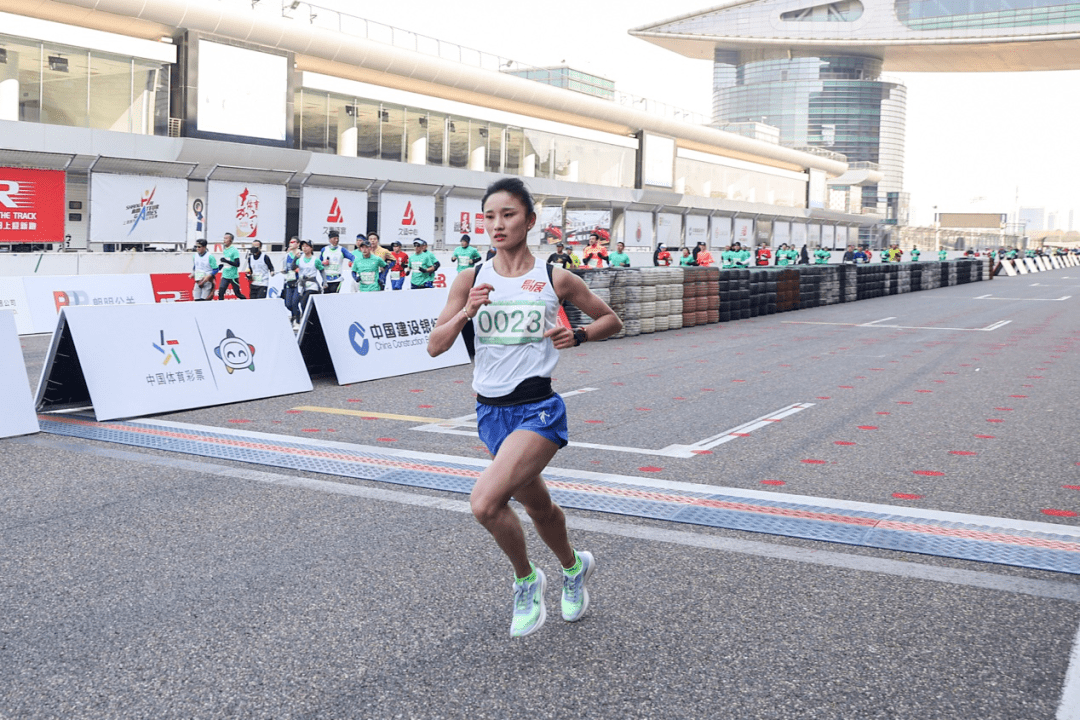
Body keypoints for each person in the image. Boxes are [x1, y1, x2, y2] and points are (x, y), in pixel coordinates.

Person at [427, 177, 621, 638]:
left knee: (485, 503)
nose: (497, 224)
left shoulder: (555, 277)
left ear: (530, 221)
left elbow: (612, 320)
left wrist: (578, 336)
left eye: (508, 214)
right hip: (491, 414)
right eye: (489, 216)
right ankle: (574, 568)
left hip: (538, 409)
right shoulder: (471, 279)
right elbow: (435, 345)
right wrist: (465, 313)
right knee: (539, 507)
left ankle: (526, 580)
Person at [295, 240, 325, 318]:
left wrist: (324, 281)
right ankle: (305, 321)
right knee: (297, 303)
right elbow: (292, 267)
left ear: (311, 248)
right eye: (303, 246)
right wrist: (295, 258)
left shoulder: (315, 260)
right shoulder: (299, 259)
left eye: (307, 246)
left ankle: (308, 321)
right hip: (302, 285)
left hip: (312, 285)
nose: (304, 248)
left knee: (304, 303)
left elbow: (322, 270)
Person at [217, 233, 246, 300]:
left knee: (237, 294)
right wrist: (222, 265)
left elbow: (237, 264)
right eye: (224, 238)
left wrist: (226, 261)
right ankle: (221, 308)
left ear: (231, 240)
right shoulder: (225, 250)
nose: (224, 240)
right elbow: (227, 262)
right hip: (225, 275)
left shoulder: (234, 250)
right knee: (220, 293)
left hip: (233, 276)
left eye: (226, 238)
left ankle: (246, 302)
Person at [282, 237, 302, 325]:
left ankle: (297, 318)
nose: (291, 243)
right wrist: (284, 271)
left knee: (294, 302)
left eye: (293, 242)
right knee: (288, 304)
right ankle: (295, 314)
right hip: (289, 280)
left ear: (298, 244)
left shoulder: (301, 255)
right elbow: (285, 267)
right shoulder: (287, 256)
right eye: (290, 242)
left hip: (298, 282)